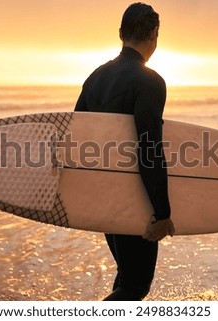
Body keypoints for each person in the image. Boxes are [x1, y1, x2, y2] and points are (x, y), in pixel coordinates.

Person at [74, 2, 175, 301]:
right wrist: (162, 214)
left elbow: (77, 139)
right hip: (133, 199)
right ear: (155, 35)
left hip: (105, 197)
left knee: (127, 276)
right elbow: (149, 148)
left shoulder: (95, 77)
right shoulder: (150, 81)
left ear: (121, 33)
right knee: (134, 286)